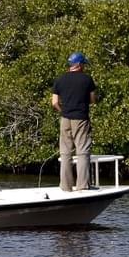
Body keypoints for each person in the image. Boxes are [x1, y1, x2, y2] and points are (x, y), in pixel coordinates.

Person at [51, 51, 97, 192]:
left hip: (65, 118)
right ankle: (82, 186)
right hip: (81, 119)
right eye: (83, 63)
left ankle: (66, 186)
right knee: (82, 152)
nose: (84, 66)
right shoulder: (87, 79)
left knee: (65, 153)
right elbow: (93, 100)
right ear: (78, 64)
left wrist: (63, 111)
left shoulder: (60, 79)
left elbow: (54, 102)